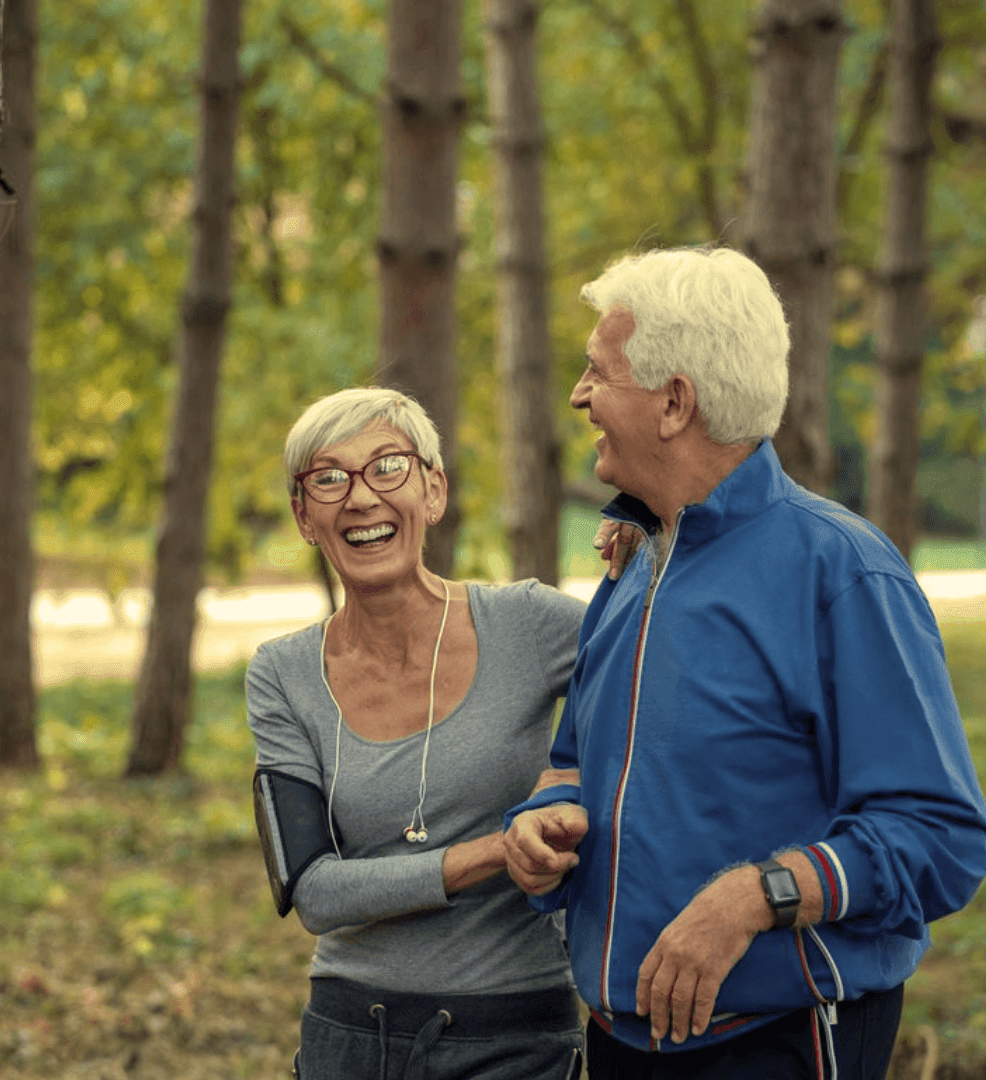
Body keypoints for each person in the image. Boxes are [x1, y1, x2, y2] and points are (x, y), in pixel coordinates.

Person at [502, 246, 986, 1080]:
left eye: (597, 372)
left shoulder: (842, 573)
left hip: (776, 1043)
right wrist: (544, 823)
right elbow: (574, 762)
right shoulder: (633, 563)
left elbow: (939, 839)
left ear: (674, 402)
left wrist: (755, 898)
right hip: (617, 1041)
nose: (579, 396)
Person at [247, 387, 589, 1080]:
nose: (361, 497)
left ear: (433, 491)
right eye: (329, 478)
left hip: (515, 1034)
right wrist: (497, 850)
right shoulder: (282, 674)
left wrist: (578, 781)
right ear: (303, 515)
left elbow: (667, 685)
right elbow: (314, 893)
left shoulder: (527, 625)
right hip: (349, 1035)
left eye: (388, 467)